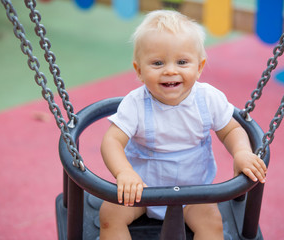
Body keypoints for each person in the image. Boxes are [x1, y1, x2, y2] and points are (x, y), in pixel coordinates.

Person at [99, 10, 267, 240]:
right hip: (141, 191)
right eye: (157, 63)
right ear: (139, 70)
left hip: (194, 193)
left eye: (182, 62)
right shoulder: (135, 103)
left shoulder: (207, 98)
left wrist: (241, 153)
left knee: (213, 224)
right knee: (109, 215)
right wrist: (124, 173)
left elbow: (232, 129)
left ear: (199, 67)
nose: (170, 70)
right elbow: (111, 141)